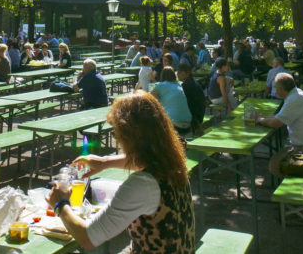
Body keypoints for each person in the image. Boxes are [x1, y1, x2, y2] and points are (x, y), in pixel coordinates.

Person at [49, 92, 196, 253]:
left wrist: (61, 204)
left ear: (130, 137)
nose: (117, 138)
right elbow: (145, 160)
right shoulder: (171, 163)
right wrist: (104, 162)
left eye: (117, 133)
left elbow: (87, 237)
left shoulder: (143, 184)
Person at [255, 72, 303, 180]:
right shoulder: (296, 94)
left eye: (276, 88)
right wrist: (262, 118)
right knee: (278, 159)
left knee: (274, 165)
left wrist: (259, 120)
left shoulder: (294, 100)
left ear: (280, 89)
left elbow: (275, 124)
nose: (275, 91)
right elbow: (278, 118)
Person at [151, 66, 192, 131]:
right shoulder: (179, 84)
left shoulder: (160, 86)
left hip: (173, 121)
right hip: (188, 121)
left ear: (162, 75)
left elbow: (149, 99)